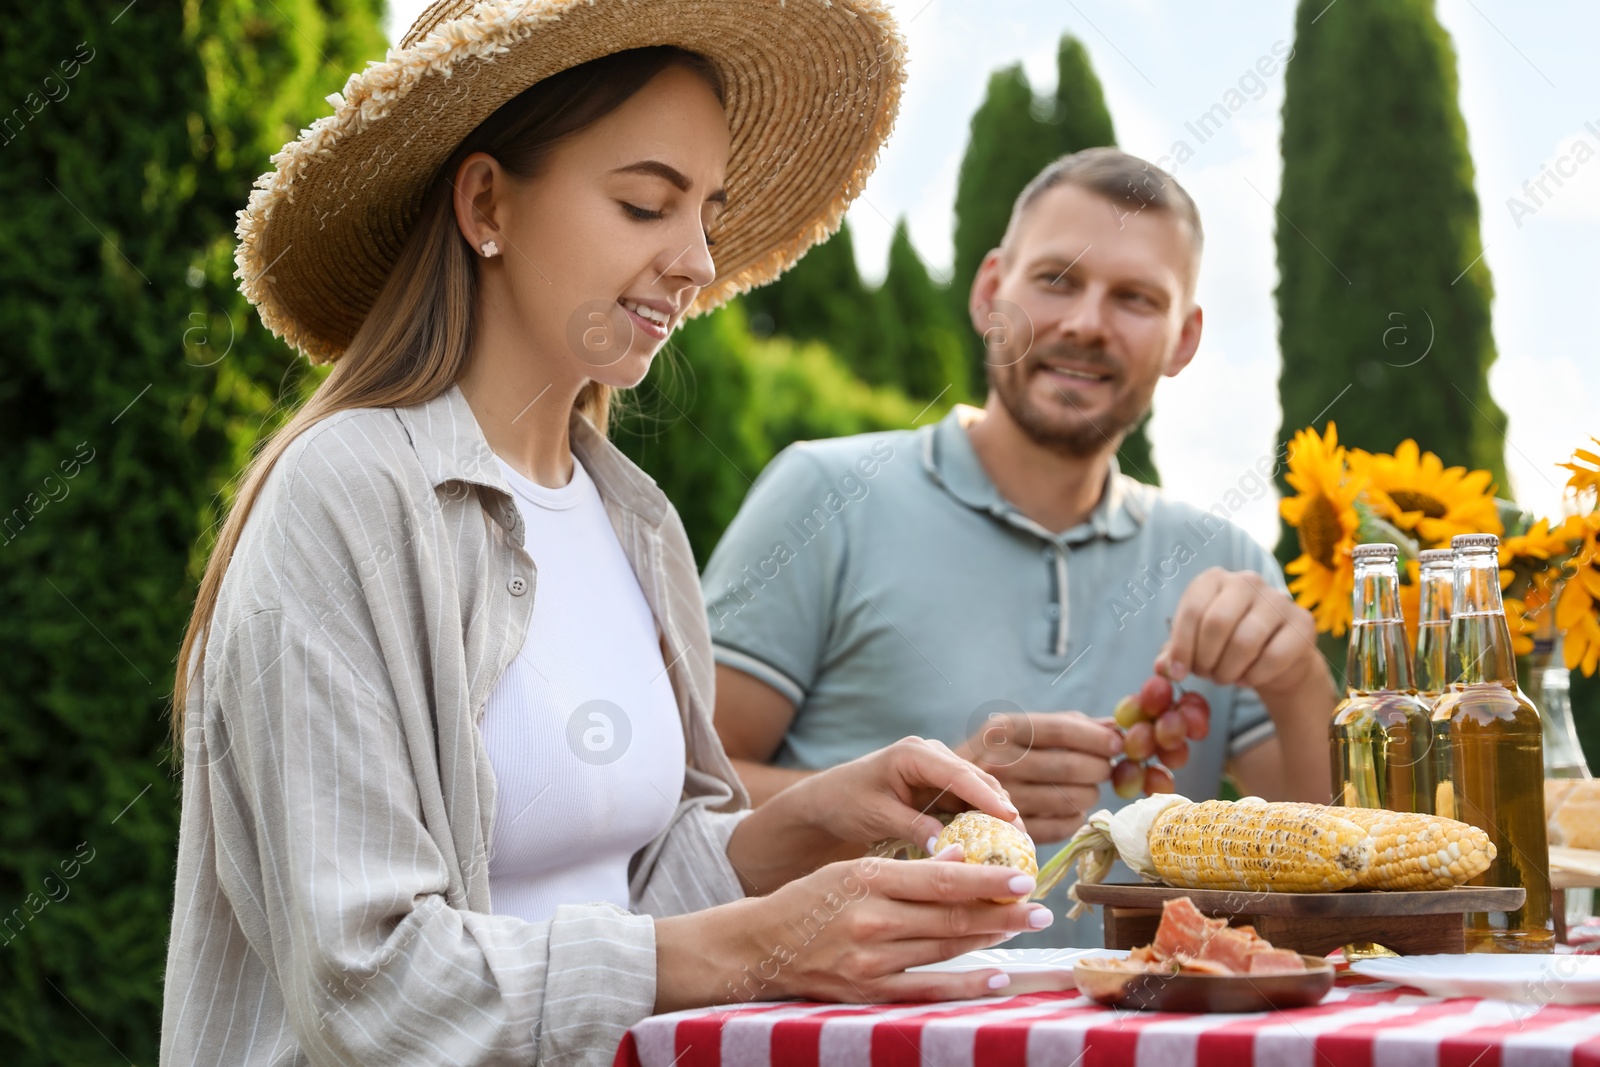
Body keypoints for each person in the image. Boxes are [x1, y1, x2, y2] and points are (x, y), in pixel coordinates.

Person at [160, 3, 1059, 1064]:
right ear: (486, 201)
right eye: (645, 204)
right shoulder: (348, 497)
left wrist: (811, 817)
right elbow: (370, 982)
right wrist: (750, 946)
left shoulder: (632, 518)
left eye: (707, 216)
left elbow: (627, 887)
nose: (694, 261)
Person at [703, 147, 1337, 945]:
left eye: (1136, 298)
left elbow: (1333, 860)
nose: (1085, 323)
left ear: (1184, 339)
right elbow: (683, 800)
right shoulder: (824, 495)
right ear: (990, 292)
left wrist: (1297, 676)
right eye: (1057, 280)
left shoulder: (1227, 561)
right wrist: (934, 803)